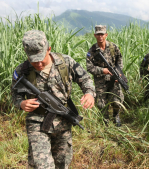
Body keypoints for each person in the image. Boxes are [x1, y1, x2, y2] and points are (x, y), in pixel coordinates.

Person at [11, 30, 95, 169]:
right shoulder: (22, 70)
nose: (38, 64)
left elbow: (85, 79)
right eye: (33, 60)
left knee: (62, 163)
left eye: (41, 58)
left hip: (63, 121)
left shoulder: (65, 62)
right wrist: (21, 103)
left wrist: (89, 93)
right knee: (42, 165)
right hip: (36, 123)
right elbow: (14, 94)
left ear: (49, 49)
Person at [86, 25, 125, 127]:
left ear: (106, 35)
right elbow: (89, 67)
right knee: (101, 104)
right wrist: (102, 70)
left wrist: (118, 73)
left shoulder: (113, 47)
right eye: (98, 34)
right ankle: (105, 120)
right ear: (95, 35)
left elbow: (119, 61)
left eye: (102, 34)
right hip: (100, 81)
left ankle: (116, 116)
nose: (100, 37)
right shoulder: (92, 51)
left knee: (117, 101)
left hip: (113, 78)